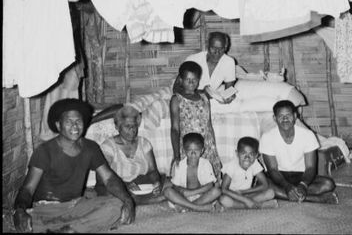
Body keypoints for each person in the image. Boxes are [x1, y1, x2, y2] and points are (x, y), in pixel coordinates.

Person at [13, 98, 135, 233]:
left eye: (78, 121)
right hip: (46, 211)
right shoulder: (44, 151)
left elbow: (109, 178)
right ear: (58, 125)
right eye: (69, 122)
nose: (75, 126)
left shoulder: (91, 147)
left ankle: (69, 229)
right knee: (25, 223)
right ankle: (76, 227)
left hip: (76, 206)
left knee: (116, 205)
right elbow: (28, 188)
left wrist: (128, 200)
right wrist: (19, 210)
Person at [259, 100, 338, 204]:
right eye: (280, 116)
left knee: (328, 184)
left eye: (288, 115)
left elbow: (310, 167)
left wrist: (303, 185)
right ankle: (315, 199)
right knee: (260, 183)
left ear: (295, 116)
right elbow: (272, 169)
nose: (285, 119)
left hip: (301, 176)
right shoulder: (267, 137)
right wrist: (287, 186)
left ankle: (287, 194)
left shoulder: (307, 135)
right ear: (274, 118)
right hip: (279, 177)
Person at [95, 104, 166, 205]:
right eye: (127, 126)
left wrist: (156, 182)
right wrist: (123, 185)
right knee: (111, 195)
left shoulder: (144, 143)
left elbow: (152, 170)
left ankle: (138, 200)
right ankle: (141, 200)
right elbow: (102, 178)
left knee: (167, 183)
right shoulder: (108, 146)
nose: (132, 130)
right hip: (117, 184)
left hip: (140, 183)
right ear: (117, 127)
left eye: (134, 126)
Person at [170, 61, 222, 178]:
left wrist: (214, 151)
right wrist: (176, 155)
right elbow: (175, 129)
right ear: (181, 80)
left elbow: (209, 125)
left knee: (210, 179)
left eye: (195, 79)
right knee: (190, 178)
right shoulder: (176, 99)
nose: (191, 82)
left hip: (207, 147)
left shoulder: (204, 98)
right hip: (189, 147)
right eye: (188, 79)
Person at [163, 133, 222, 212]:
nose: (193, 153)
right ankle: (198, 208)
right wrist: (185, 192)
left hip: (201, 196)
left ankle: (187, 207)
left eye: (196, 150)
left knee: (216, 191)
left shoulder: (206, 164)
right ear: (184, 151)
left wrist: (192, 192)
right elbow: (175, 186)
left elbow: (210, 185)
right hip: (184, 197)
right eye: (190, 150)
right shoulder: (179, 165)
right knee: (167, 191)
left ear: (202, 150)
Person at [173, 31, 236, 104]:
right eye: (213, 48)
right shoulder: (193, 60)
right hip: (188, 100)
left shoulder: (229, 62)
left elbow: (229, 89)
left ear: (225, 47)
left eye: (221, 49)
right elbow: (176, 88)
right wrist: (202, 93)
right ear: (207, 45)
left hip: (208, 102)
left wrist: (229, 96)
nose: (217, 52)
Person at [219, 137, 278, 210]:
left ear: (256, 156)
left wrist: (244, 192)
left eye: (251, 154)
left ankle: (241, 206)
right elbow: (224, 189)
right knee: (223, 199)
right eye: (243, 153)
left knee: (270, 192)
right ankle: (260, 205)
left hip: (247, 194)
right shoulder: (231, 166)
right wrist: (245, 200)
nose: (247, 157)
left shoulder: (255, 163)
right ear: (237, 154)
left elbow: (264, 185)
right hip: (233, 195)